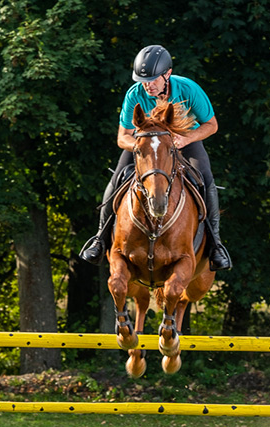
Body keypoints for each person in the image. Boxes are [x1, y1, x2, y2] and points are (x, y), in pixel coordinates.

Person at [79, 44, 232, 271]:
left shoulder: (189, 89)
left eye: (152, 80)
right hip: (146, 144)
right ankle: (100, 238)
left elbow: (212, 125)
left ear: (167, 74)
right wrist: (142, 146)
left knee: (205, 178)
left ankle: (216, 245)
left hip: (185, 140)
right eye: (143, 81)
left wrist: (186, 140)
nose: (147, 86)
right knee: (118, 177)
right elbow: (123, 137)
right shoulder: (134, 94)